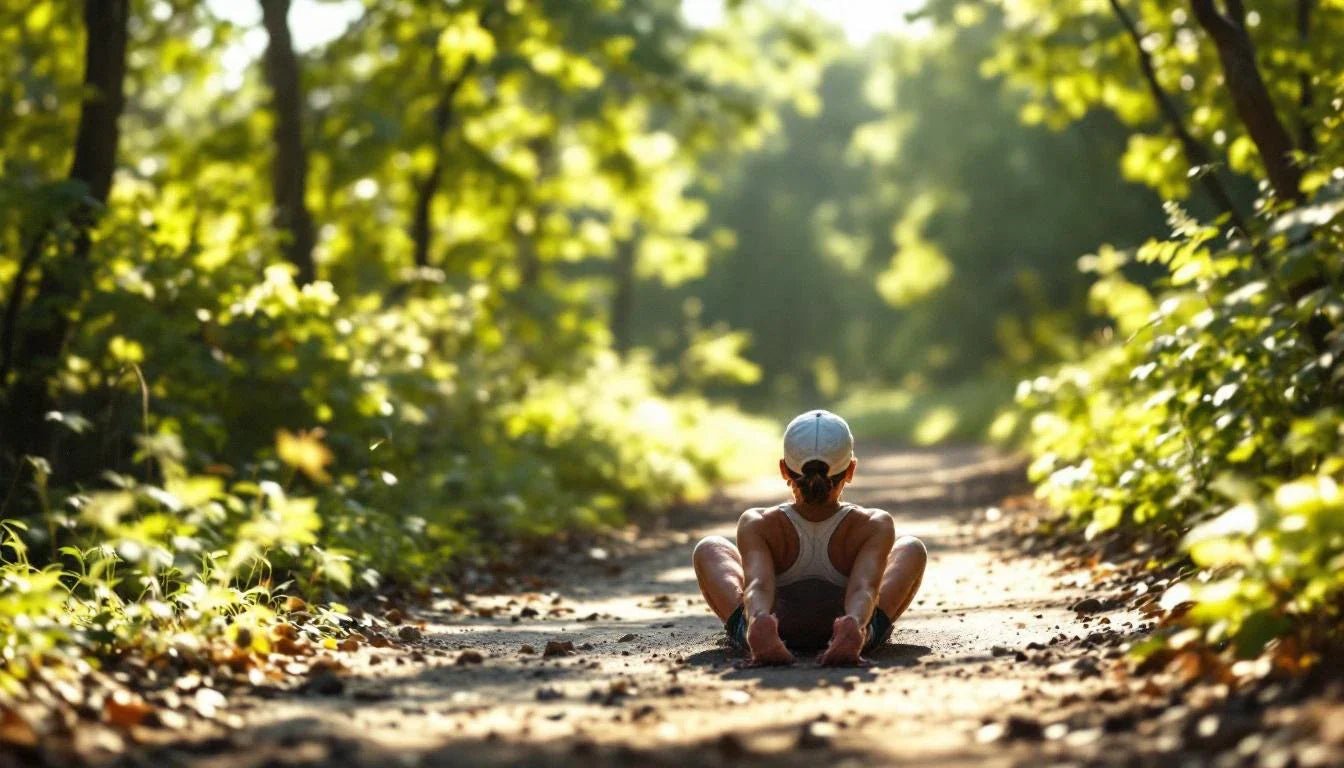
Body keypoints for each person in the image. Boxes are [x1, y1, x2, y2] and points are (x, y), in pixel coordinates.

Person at [692, 410, 927, 666]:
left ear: (784, 469)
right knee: (912, 548)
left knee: (709, 548)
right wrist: (854, 619)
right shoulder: (873, 524)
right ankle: (859, 633)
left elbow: (759, 585)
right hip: (845, 624)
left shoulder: (758, 522)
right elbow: (864, 588)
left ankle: (756, 631)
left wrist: (759, 615)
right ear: (850, 470)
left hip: (779, 627)